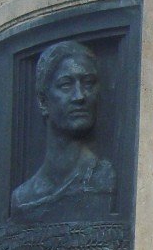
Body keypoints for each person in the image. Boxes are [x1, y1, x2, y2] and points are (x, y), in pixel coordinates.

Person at [11, 40, 115, 223]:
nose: (80, 96)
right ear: (43, 101)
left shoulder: (105, 178)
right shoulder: (22, 198)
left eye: (88, 83)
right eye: (66, 85)